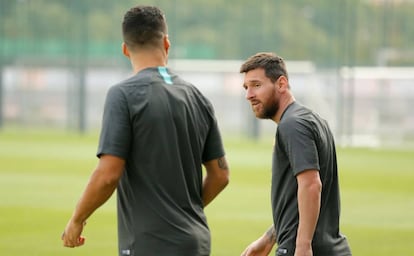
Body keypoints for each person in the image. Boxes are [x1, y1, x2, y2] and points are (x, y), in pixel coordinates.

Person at [61, 5, 230, 256]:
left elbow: (108, 174)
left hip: (149, 244)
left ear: (125, 49)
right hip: (196, 241)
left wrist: (77, 218)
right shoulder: (198, 97)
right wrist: (185, 212)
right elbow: (220, 175)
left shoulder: (124, 95)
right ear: (167, 43)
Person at [239, 52, 351, 256]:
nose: (249, 95)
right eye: (246, 88)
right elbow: (296, 199)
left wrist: (302, 246)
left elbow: (311, 185)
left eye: (256, 85)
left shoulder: (292, 125)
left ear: (281, 84)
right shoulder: (312, 120)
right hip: (331, 248)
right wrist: (269, 237)